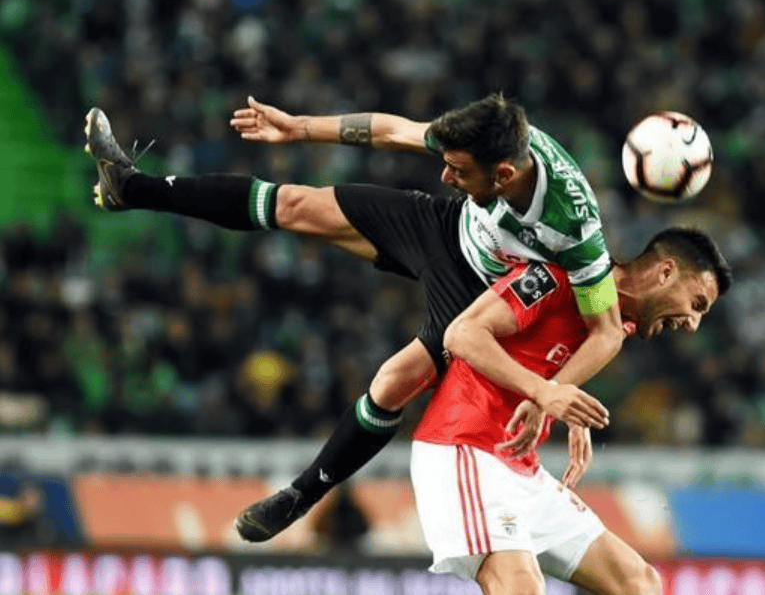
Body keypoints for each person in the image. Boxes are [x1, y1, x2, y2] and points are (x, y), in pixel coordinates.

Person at [85, 93, 619, 542]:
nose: (444, 174)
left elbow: (607, 330)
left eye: (458, 171)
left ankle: (302, 494)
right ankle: (130, 187)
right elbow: (392, 130)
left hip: (482, 295)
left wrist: (552, 393)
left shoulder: (573, 225)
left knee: (391, 383)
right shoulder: (485, 139)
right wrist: (298, 127)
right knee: (295, 205)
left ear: (504, 174)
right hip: (447, 229)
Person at [413, 228, 731, 595]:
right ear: (665, 272)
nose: (692, 325)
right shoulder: (561, 274)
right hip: (463, 447)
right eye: (697, 304)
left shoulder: (616, 325)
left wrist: (566, 405)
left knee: (639, 583)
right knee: (521, 588)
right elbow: (463, 334)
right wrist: (544, 392)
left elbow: (549, 365)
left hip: (520, 466)